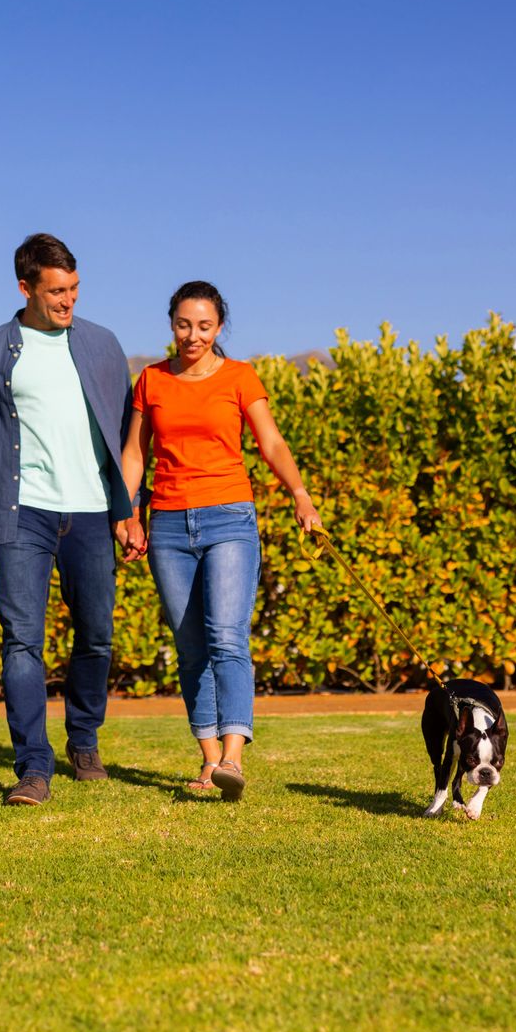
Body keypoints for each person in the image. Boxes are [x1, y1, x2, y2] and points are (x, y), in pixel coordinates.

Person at [0, 233, 145, 806]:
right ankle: (33, 767)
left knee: (97, 637)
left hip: (90, 512)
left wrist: (130, 512)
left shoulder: (104, 346)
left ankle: (83, 740)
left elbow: (128, 441)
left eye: (74, 288)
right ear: (25, 288)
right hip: (20, 513)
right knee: (21, 641)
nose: (68, 300)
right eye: (56, 290)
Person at [121, 281, 320, 800]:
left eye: (204, 326)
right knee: (190, 650)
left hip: (229, 517)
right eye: (184, 324)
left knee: (226, 638)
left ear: (219, 327)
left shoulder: (239, 377)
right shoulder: (151, 380)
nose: (193, 335)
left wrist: (299, 494)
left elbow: (270, 441)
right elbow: (135, 455)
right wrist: (128, 514)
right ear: (171, 323)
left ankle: (234, 756)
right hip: (166, 522)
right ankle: (209, 762)